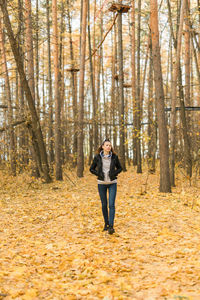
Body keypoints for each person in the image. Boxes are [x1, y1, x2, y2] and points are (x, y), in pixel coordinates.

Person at [89, 139, 122, 234]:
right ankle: (106, 224)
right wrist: (98, 174)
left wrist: (114, 173)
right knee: (104, 205)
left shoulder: (114, 157)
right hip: (101, 184)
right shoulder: (97, 157)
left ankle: (111, 226)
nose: (109, 147)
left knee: (111, 204)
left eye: (110, 145)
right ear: (102, 146)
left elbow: (120, 168)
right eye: (107, 145)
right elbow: (91, 169)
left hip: (112, 183)